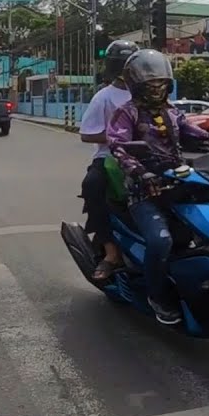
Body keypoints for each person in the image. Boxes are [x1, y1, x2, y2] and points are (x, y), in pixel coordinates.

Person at [106, 49, 209, 325]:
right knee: (161, 240)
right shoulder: (126, 113)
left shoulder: (173, 113)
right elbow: (119, 147)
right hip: (145, 191)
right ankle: (157, 295)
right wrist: (141, 173)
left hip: (179, 185)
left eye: (161, 83)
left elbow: (199, 136)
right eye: (151, 83)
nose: (157, 88)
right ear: (136, 85)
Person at [79, 39, 139, 282]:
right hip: (109, 158)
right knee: (92, 184)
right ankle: (111, 252)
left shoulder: (147, 94)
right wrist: (118, 138)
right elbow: (86, 133)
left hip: (147, 156)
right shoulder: (103, 97)